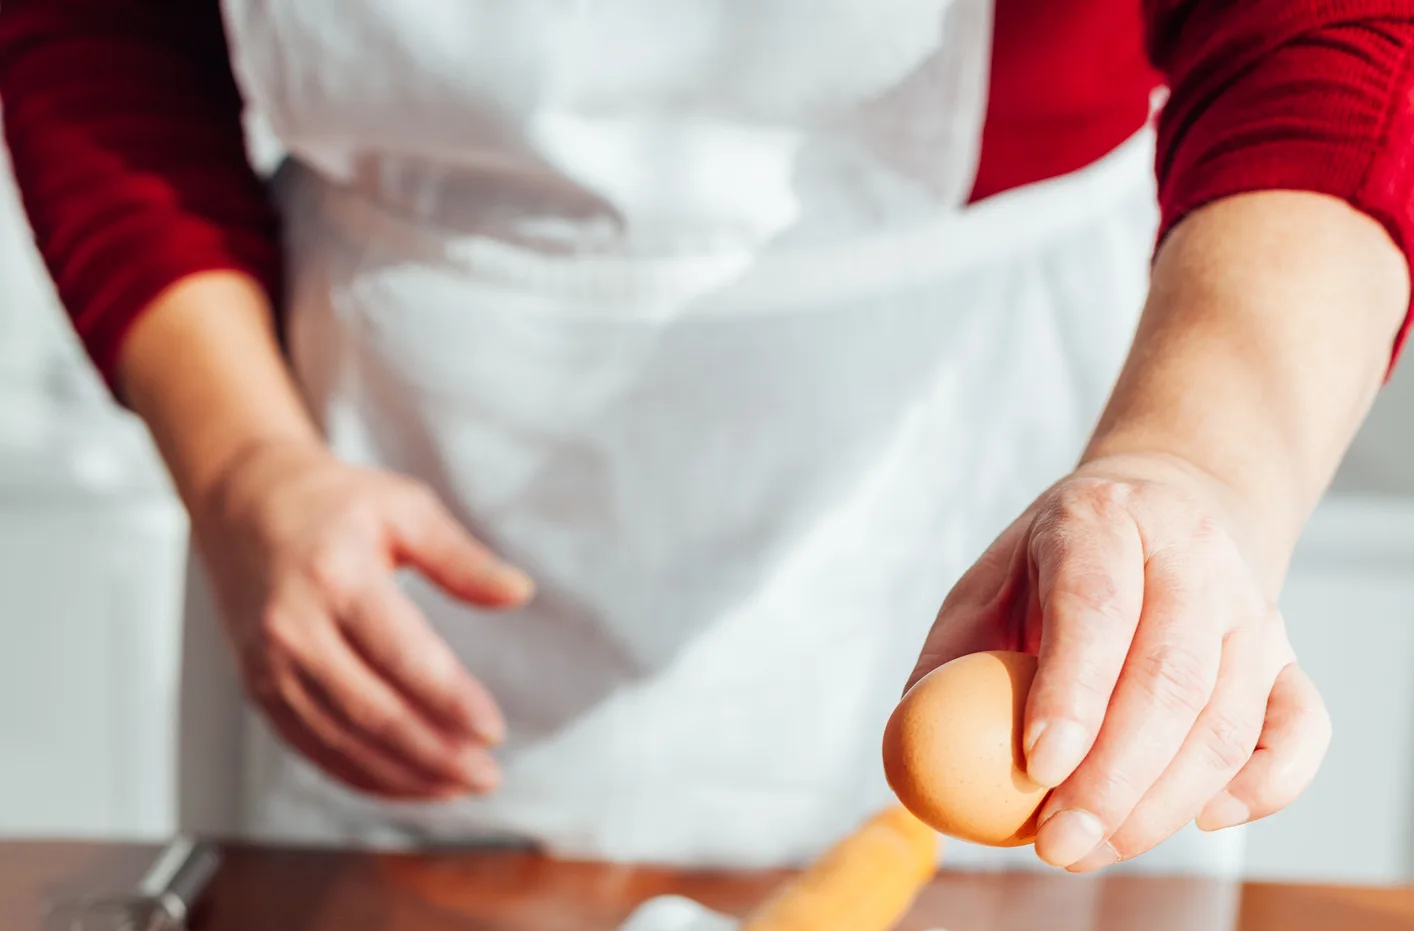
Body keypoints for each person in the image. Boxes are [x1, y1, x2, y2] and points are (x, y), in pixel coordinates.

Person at [1, 2, 1409, 871]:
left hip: (991, 434)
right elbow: (96, 28)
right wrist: (245, 462)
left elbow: (1328, 29)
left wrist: (1190, 465)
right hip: (381, 450)